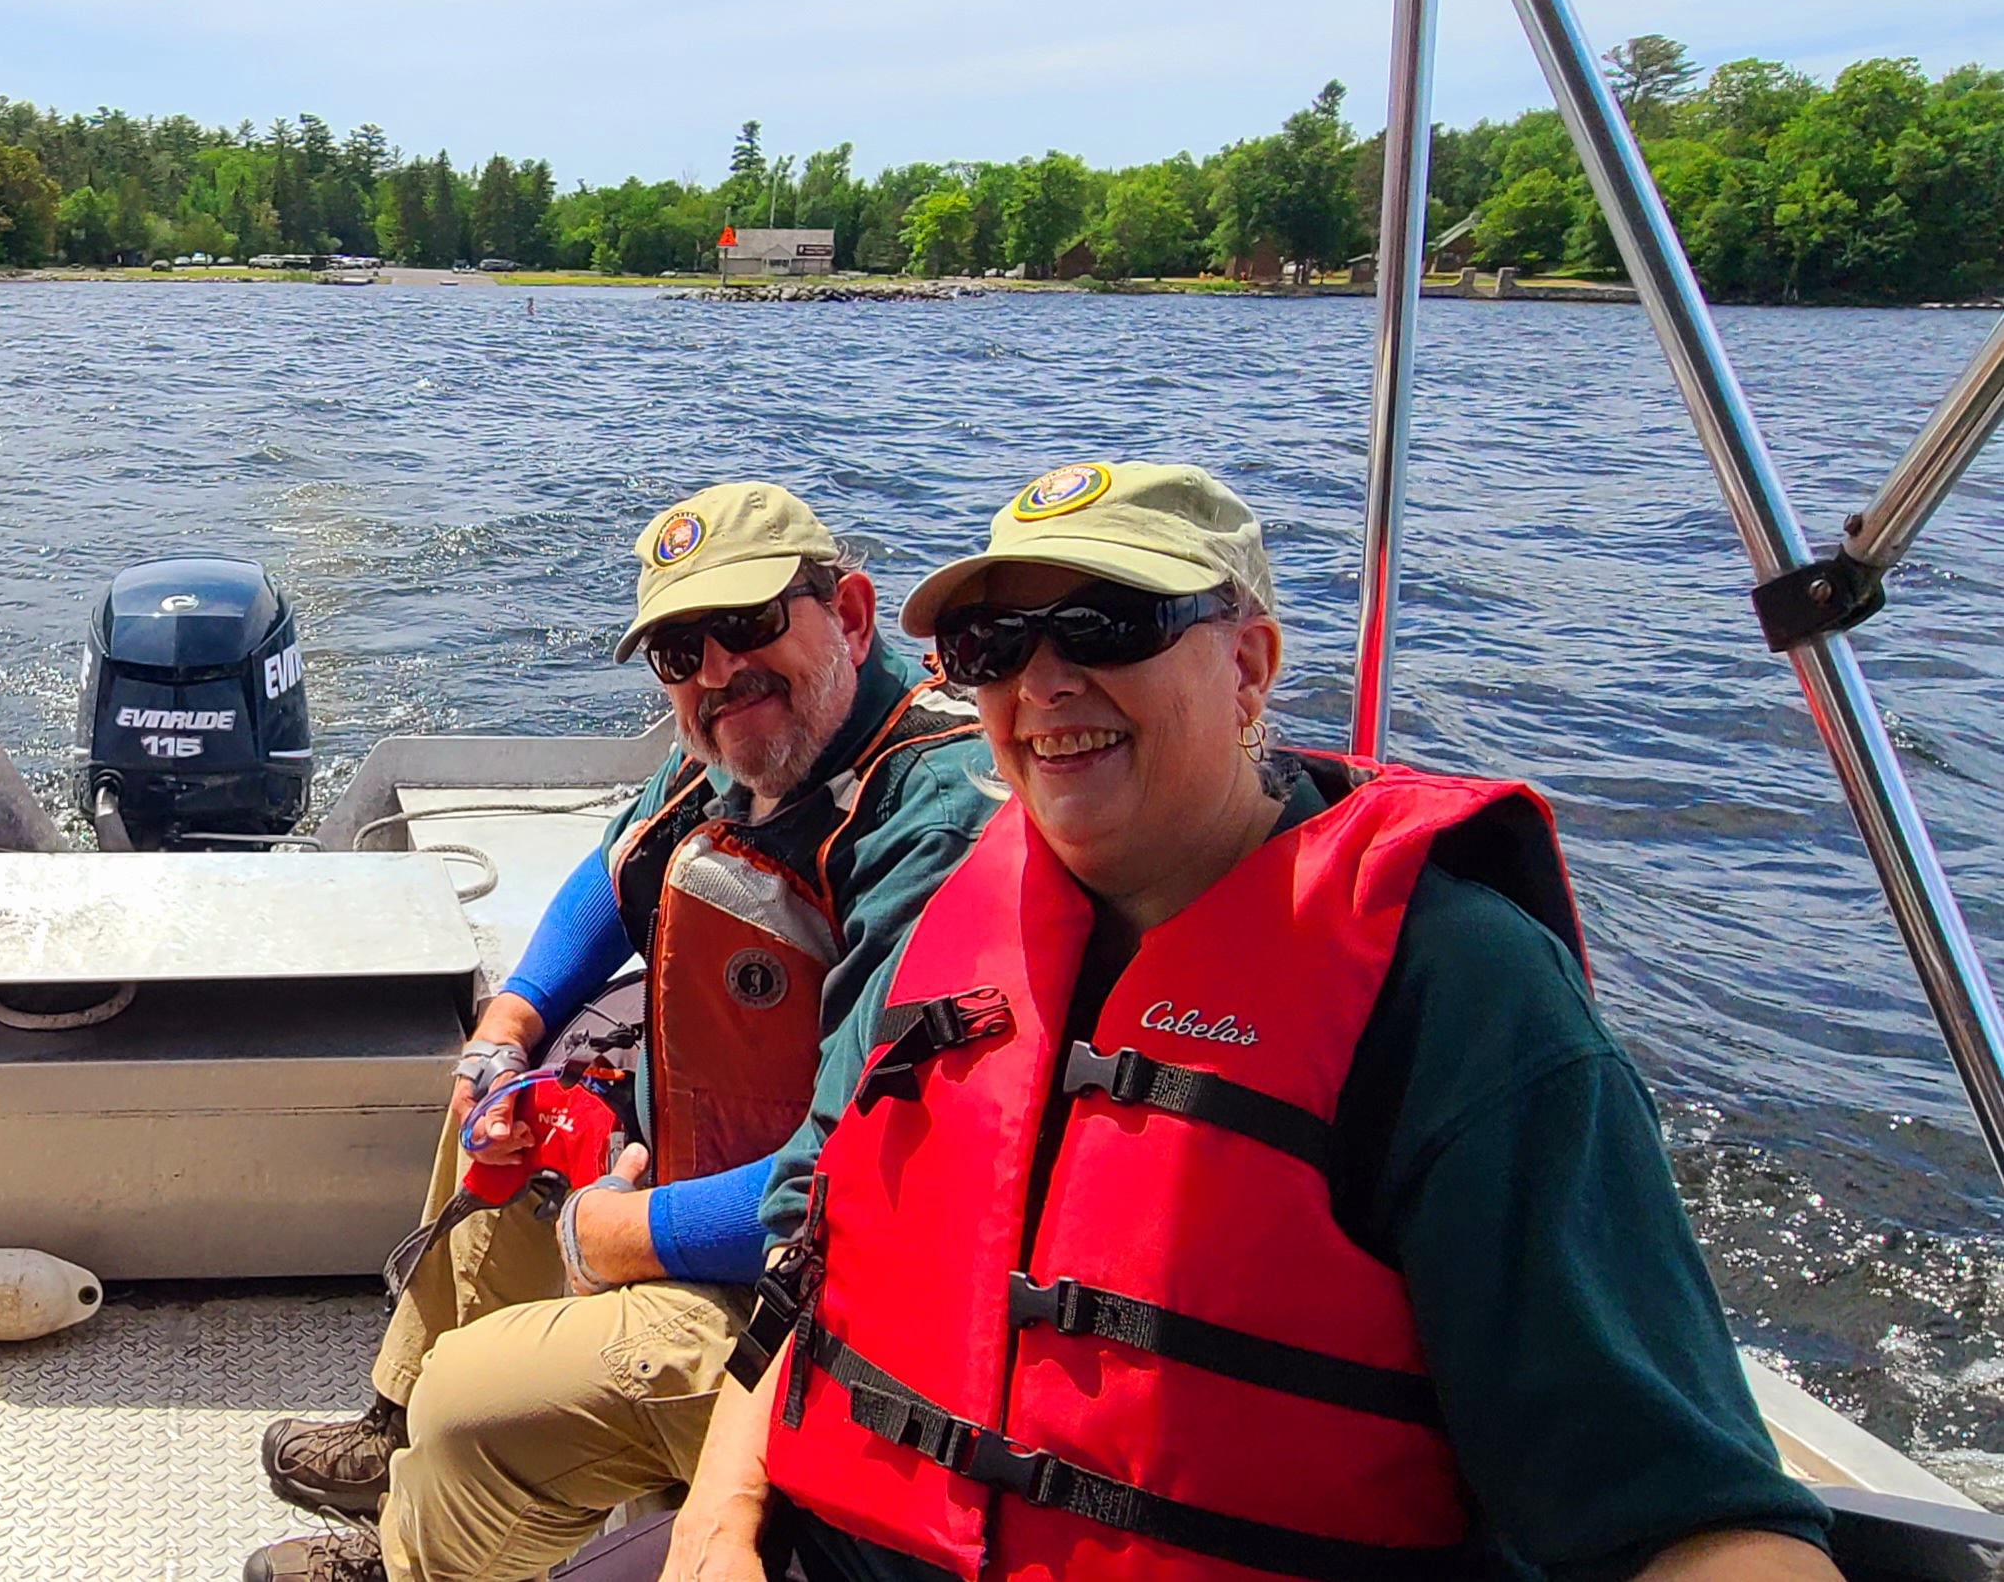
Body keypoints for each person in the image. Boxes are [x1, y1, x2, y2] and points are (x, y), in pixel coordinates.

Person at [653, 461, 1838, 1582]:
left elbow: (1693, 1519)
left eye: (1111, 625)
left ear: (1249, 665)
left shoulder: (1453, 992)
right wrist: (715, 1524)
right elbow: (813, 1271)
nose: (1045, 682)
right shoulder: (952, 918)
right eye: (993, 646)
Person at [249, 483, 996, 1582]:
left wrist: (614, 1232)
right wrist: (511, 1027)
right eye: (678, 650)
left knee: (474, 1408)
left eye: (746, 625)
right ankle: (392, 1444)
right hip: (697, 1167)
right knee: (492, 1120)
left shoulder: (928, 826)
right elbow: (619, 872)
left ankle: (434, 1526)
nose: (713, 669)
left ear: (847, 611)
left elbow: (838, 1196)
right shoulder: (743, 740)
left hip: (819, 1299)